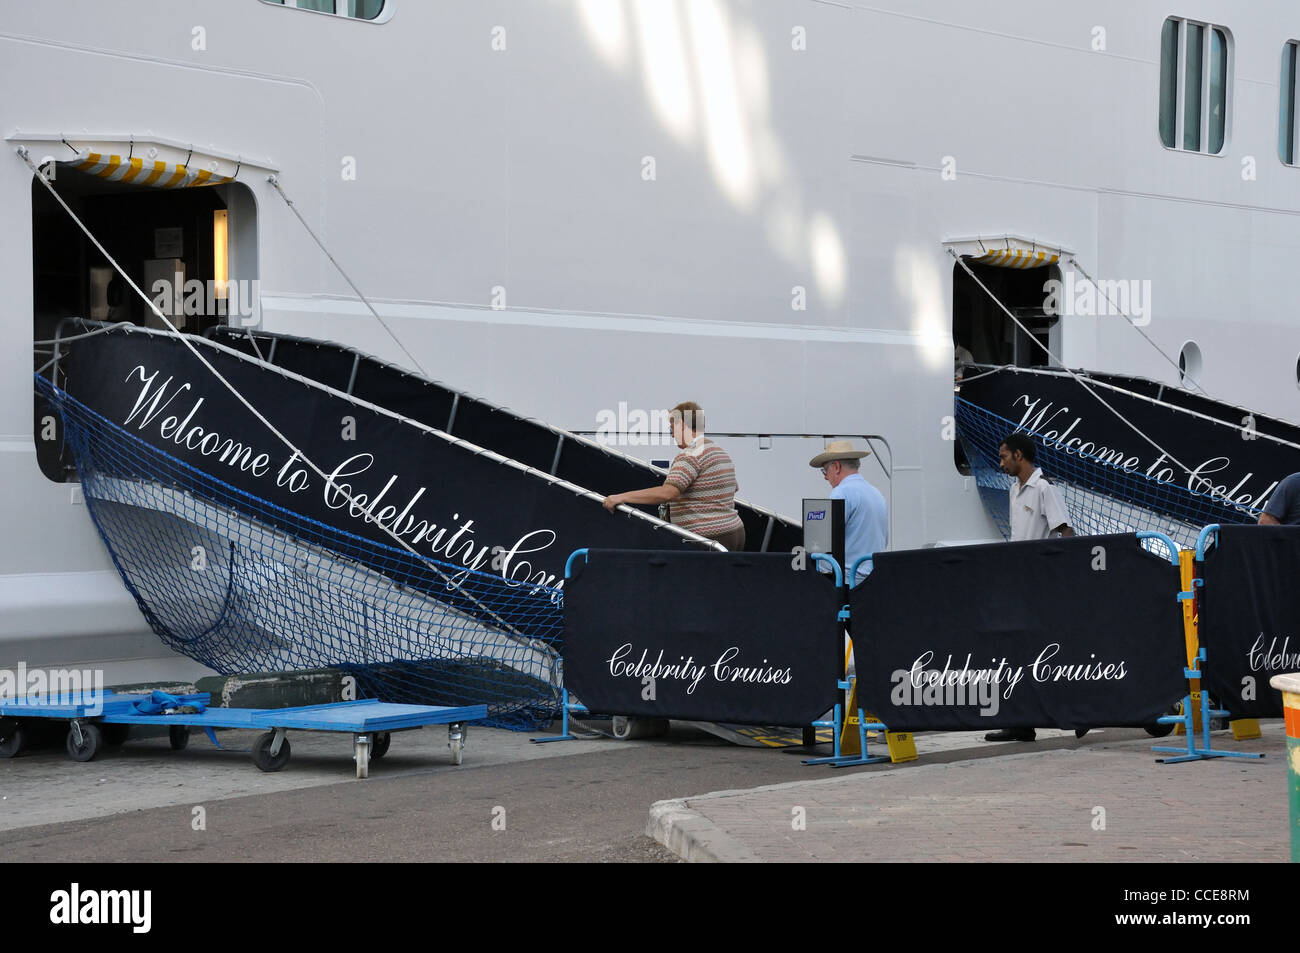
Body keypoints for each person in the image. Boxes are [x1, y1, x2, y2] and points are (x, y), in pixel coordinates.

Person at [985, 432, 1075, 743]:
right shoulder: (1014, 490)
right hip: (1020, 583)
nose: (1001, 462)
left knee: (1051, 651)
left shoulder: (1044, 489)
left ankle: (1078, 711)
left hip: (1042, 584)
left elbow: (1066, 533)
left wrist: (1059, 576)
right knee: (1019, 651)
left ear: (1019, 455)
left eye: (1004, 456)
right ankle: (1021, 722)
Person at [602, 401, 746, 551]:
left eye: (672, 428)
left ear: (682, 425)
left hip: (708, 538)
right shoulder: (718, 451)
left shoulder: (691, 454)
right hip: (734, 532)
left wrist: (621, 497)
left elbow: (668, 492)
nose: (671, 435)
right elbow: (733, 487)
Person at [808, 441, 888, 586]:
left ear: (837, 467)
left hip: (847, 582)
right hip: (874, 579)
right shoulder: (876, 493)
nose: (825, 477)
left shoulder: (841, 492)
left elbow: (824, 542)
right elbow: (883, 539)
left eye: (825, 471)